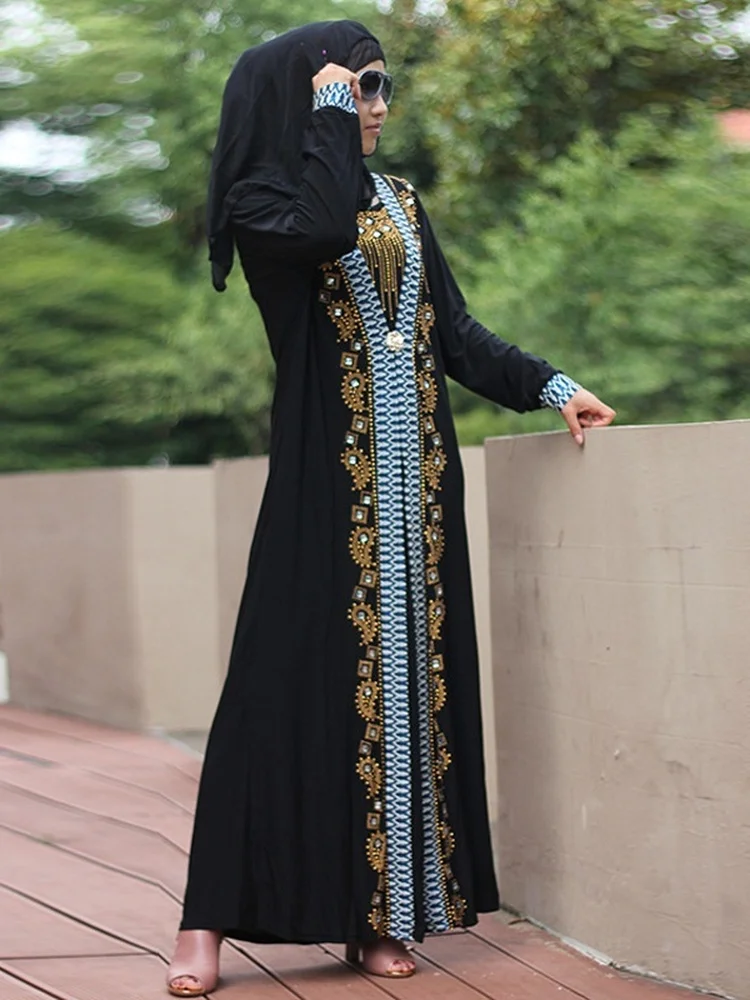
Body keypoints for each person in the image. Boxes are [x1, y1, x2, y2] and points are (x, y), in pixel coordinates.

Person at [167, 19, 615, 997]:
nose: (377, 107)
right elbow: (325, 229)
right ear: (309, 98)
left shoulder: (402, 201)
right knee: (275, 688)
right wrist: (330, 111)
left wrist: (551, 385)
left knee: (406, 692)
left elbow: (452, 333)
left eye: (377, 87)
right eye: (360, 87)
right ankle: (204, 919)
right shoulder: (263, 202)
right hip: (321, 488)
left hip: (418, 499)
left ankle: (378, 915)